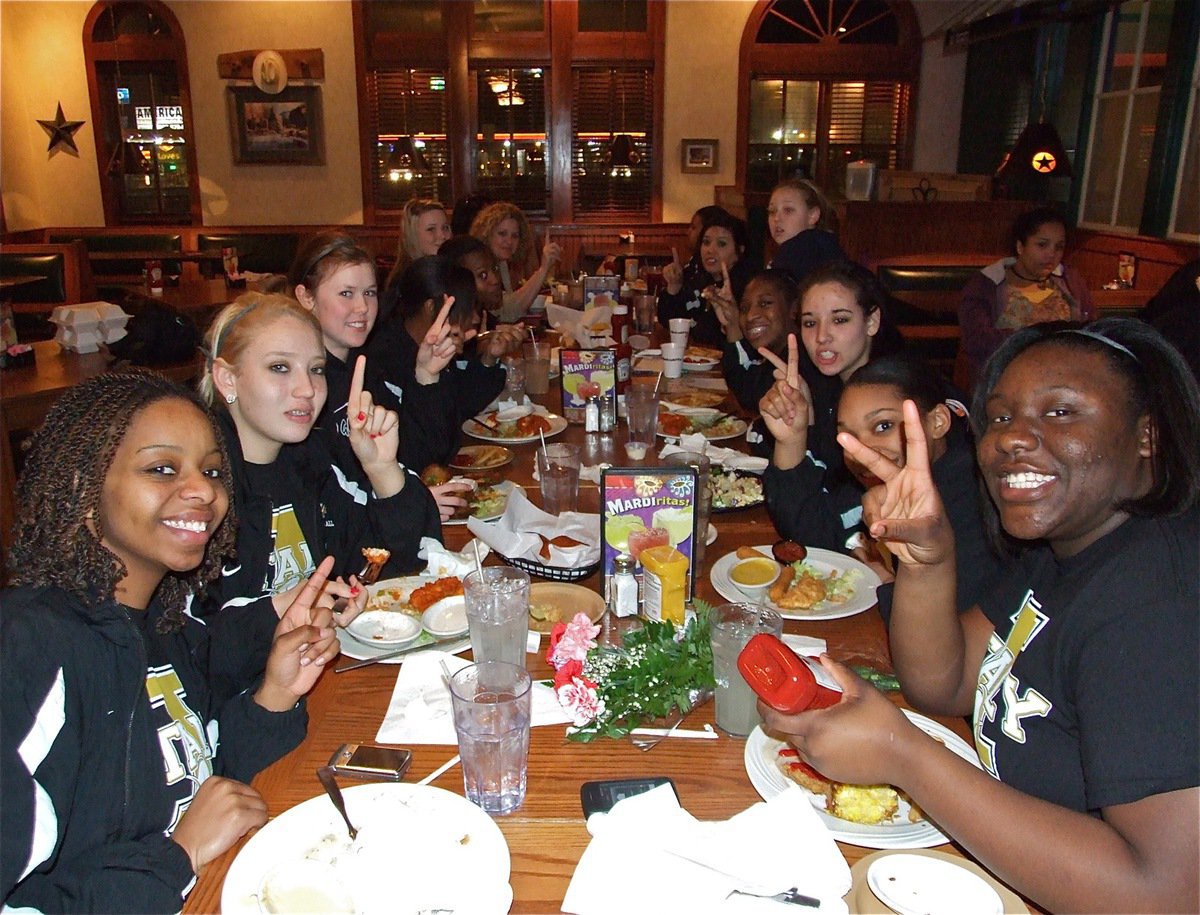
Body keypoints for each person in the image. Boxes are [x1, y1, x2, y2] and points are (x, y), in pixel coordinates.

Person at [761, 318, 1199, 913]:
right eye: (1000, 416)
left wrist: (902, 752)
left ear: (1147, 435)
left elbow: (1166, 893)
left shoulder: (1160, 603)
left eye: (1061, 412)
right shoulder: (1063, 553)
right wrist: (926, 560)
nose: (1013, 438)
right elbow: (944, 682)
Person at [1, 372, 342, 912]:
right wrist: (175, 856)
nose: (204, 490)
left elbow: (204, 786)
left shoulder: (167, 623)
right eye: (162, 469)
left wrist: (275, 693)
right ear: (80, 488)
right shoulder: (29, 649)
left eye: (211, 470)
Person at [196, 293, 439, 701]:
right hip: (235, 722)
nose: (306, 389)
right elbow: (182, 651)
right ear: (226, 379)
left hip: (316, 687)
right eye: (279, 368)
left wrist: (382, 471)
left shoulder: (312, 464)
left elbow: (400, 563)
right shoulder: (198, 493)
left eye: (316, 370)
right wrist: (281, 609)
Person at [764, 350, 1002, 618]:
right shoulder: (882, 483)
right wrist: (792, 440)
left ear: (938, 421)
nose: (861, 450)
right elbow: (811, 532)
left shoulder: (976, 501)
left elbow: (951, 638)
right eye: (848, 436)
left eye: (883, 426)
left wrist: (890, 587)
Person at [289, 231, 461, 518]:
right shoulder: (302, 389)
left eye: (369, 293)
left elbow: (420, 457)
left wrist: (425, 377)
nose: (362, 308)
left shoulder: (366, 366)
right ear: (306, 297)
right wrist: (407, 502)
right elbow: (324, 502)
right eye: (346, 293)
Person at [370, 256, 524, 472]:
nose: (474, 319)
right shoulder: (385, 361)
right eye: (465, 309)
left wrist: (489, 358)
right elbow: (420, 453)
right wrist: (428, 376)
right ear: (431, 308)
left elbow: (462, 405)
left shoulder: (435, 351)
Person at [758, 259, 902, 470]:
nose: (821, 336)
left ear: (871, 322)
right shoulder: (820, 386)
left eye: (840, 320)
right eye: (810, 323)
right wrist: (804, 422)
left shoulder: (898, 395)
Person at [959, 206, 1095, 386]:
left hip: (1067, 380)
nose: (1051, 254)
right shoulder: (987, 285)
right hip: (1006, 381)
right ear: (1020, 246)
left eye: (1059, 247)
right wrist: (1033, 338)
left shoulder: (1071, 282)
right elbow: (976, 342)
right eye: (1042, 245)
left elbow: (1092, 331)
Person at [658, 208, 758, 349]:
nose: (710, 250)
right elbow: (670, 322)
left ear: (739, 251)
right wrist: (673, 288)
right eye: (706, 242)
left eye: (721, 244)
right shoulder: (699, 279)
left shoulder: (747, 290)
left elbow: (712, 337)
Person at [470, 202, 560, 321]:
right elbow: (509, 311)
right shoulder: (479, 266)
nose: (509, 241)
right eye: (502, 234)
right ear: (486, 234)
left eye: (515, 236)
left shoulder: (501, 263)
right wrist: (543, 269)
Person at [766, 178, 845, 283]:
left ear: (813, 216)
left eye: (788, 210)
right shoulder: (828, 246)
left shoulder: (796, 250)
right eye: (772, 211)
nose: (776, 218)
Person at [383, 199, 452, 297]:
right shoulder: (404, 282)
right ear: (412, 235)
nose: (442, 236)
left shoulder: (451, 271)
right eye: (431, 229)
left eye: (445, 228)